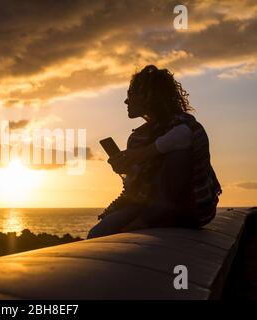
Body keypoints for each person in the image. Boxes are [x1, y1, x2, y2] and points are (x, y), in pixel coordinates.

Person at [87, 65, 222, 239]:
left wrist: (140, 154)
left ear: (148, 96)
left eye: (130, 95)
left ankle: (151, 219)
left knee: (178, 154)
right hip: (149, 205)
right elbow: (141, 184)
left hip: (192, 208)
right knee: (97, 233)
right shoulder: (138, 137)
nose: (126, 102)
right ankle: (150, 218)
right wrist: (128, 169)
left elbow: (183, 136)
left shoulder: (185, 125)